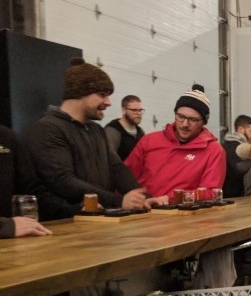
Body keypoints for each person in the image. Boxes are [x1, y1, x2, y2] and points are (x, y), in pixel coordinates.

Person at [22, 58, 150, 217]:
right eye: (102, 95)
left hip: (98, 220)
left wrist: (142, 198)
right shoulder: (47, 129)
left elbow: (116, 168)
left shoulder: (96, 129)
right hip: (65, 224)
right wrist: (118, 201)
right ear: (80, 93)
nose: (108, 102)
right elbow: (62, 181)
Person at [125, 84, 226, 201]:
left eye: (193, 120)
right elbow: (126, 177)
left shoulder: (214, 151)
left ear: (203, 122)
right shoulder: (149, 141)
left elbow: (210, 192)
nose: (185, 124)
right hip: (144, 211)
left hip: (186, 215)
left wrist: (170, 199)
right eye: (180, 116)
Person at [0, 125, 52, 238]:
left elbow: (32, 189)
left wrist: (74, 210)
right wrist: (6, 226)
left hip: (12, 244)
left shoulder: (6, 136)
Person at [222, 114, 251, 197]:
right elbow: (239, 173)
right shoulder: (239, 150)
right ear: (240, 129)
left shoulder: (223, 146)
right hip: (236, 196)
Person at [104, 94, 146, 160]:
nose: (138, 113)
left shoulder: (140, 132)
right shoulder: (112, 131)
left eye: (140, 110)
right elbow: (109, 158)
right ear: (124, 110)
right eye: (134, 110)